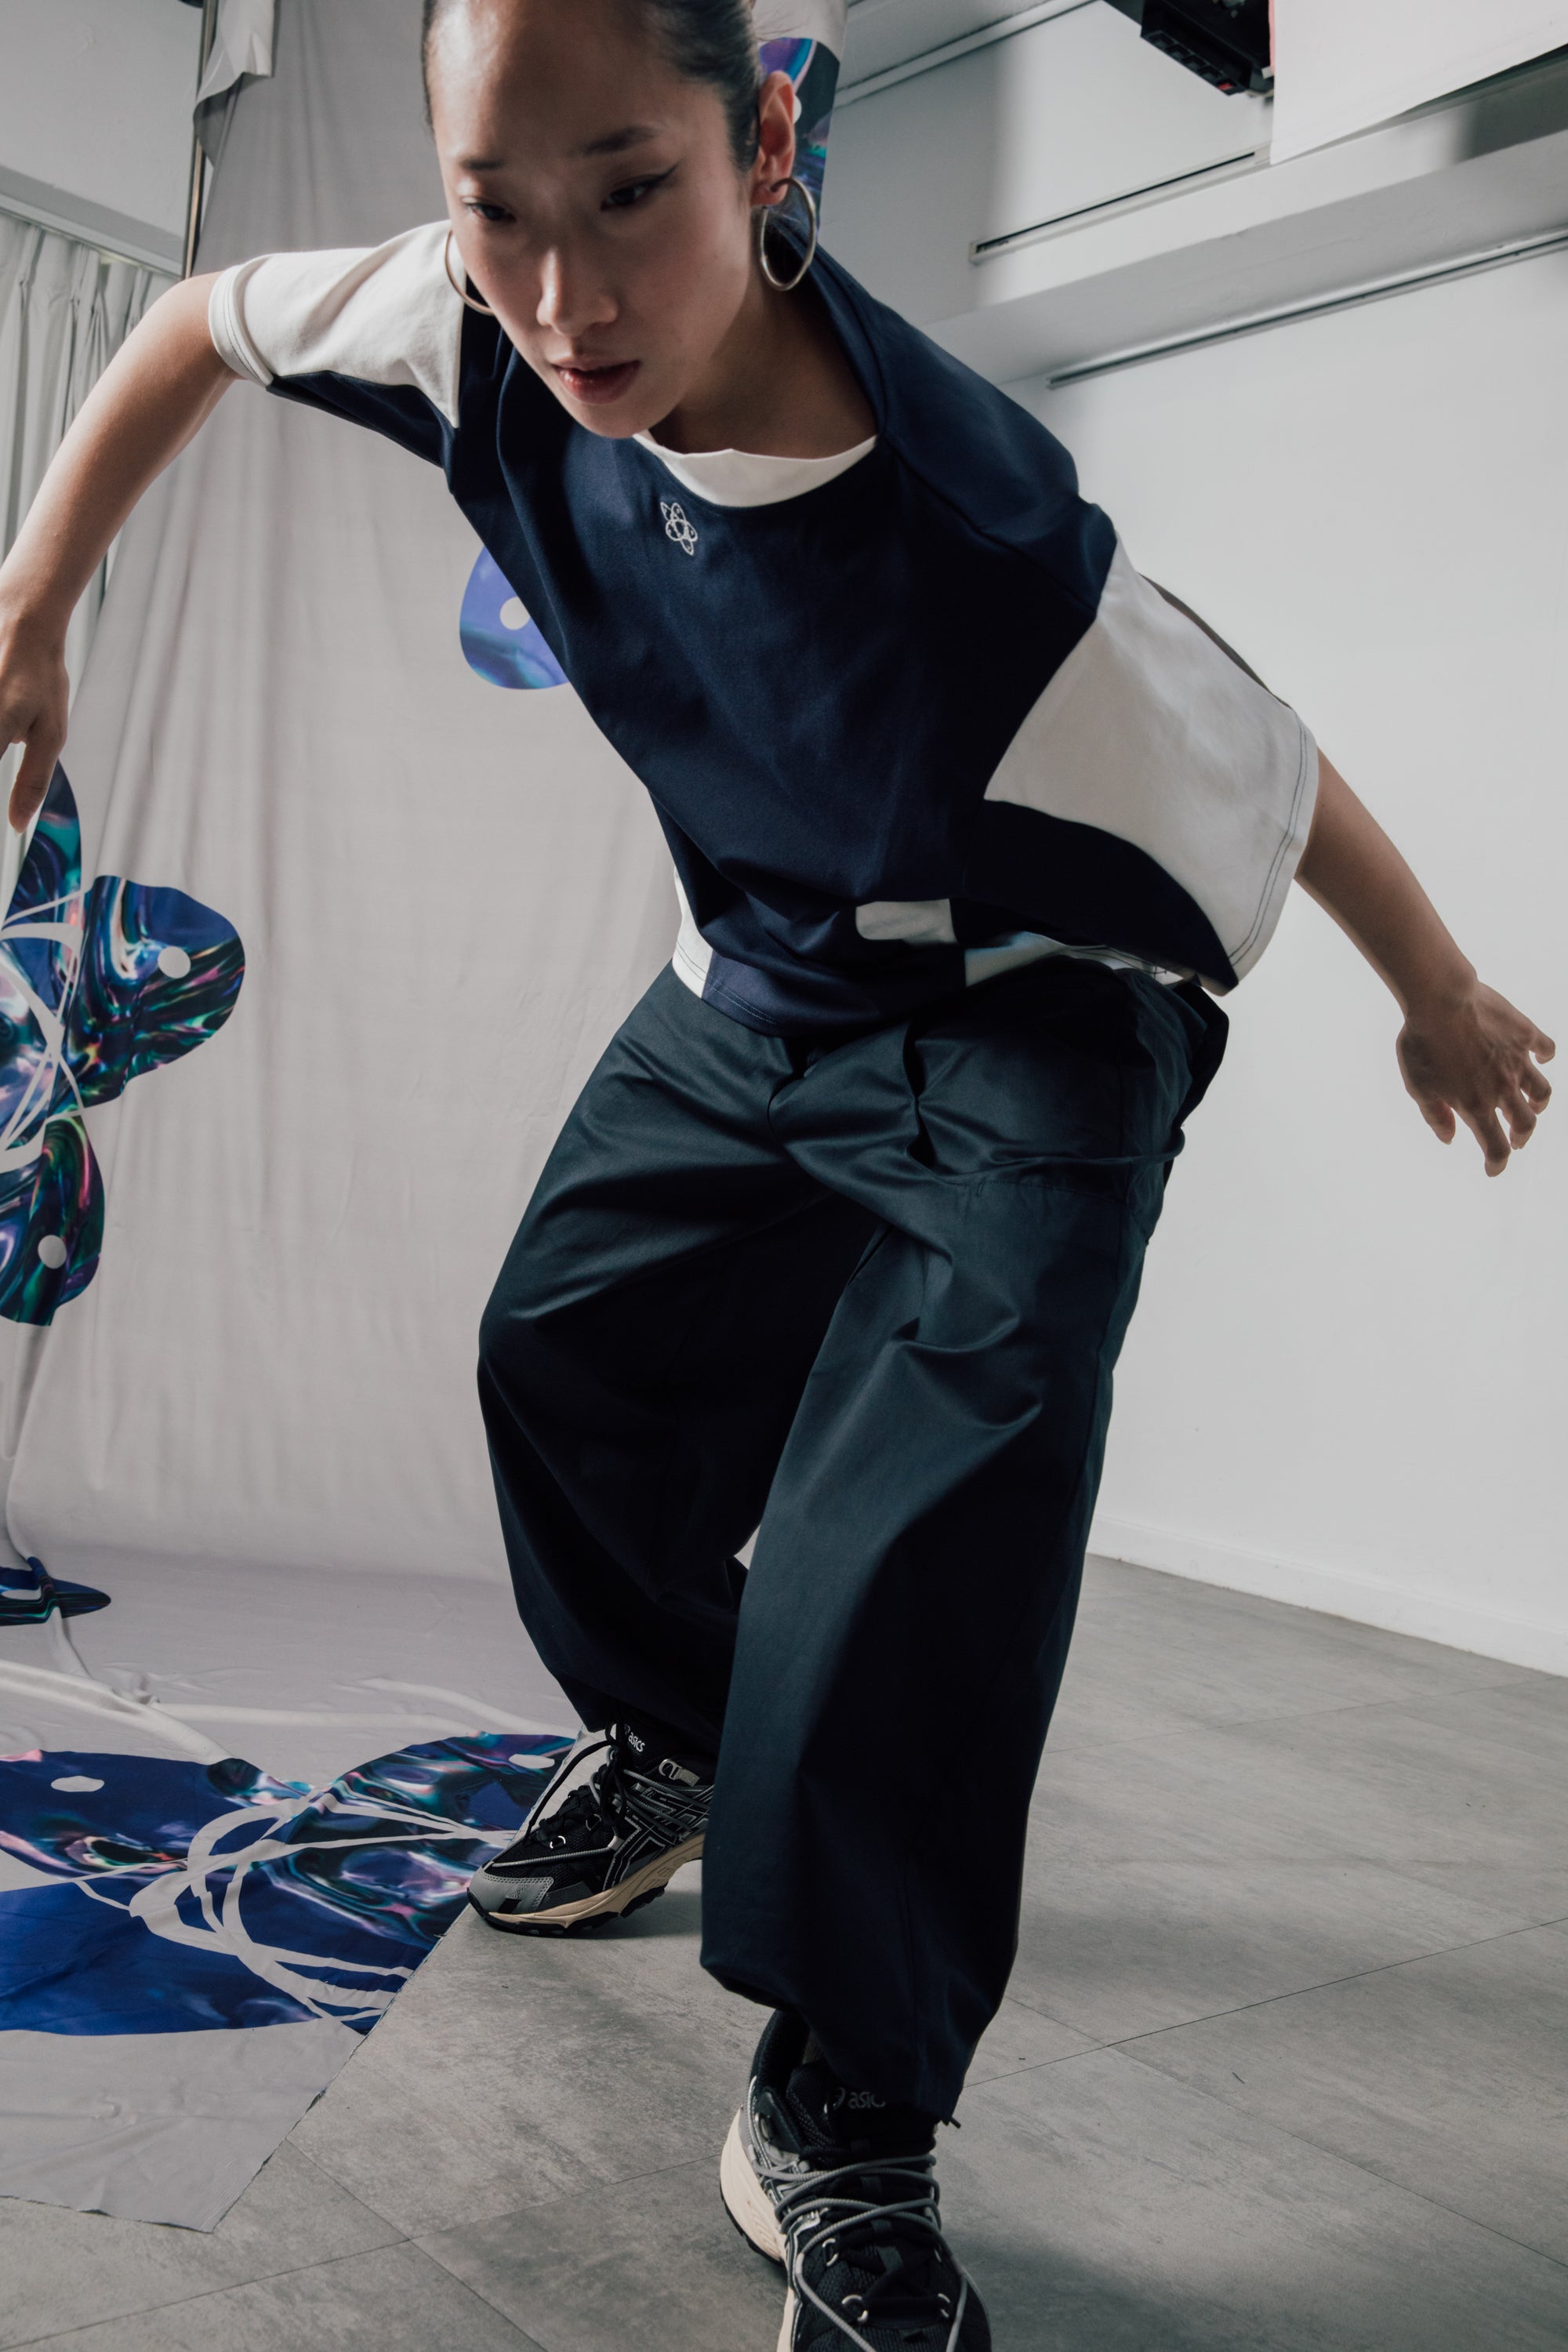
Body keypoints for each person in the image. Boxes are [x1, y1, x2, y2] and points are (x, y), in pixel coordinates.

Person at [0, 2, 1552, 2343]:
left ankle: (850, 2102)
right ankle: (692, 1737)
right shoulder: (470, 323)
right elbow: (204, 325)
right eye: (499, 210)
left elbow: (1266, 752)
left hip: (1033, 1009)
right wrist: (34, 605)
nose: (567, 295)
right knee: (562, 1359)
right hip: (762, 971)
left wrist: (1437, 990)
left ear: (768, 141)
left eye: (633, 192)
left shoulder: (977, 535)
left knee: (915, 1536)